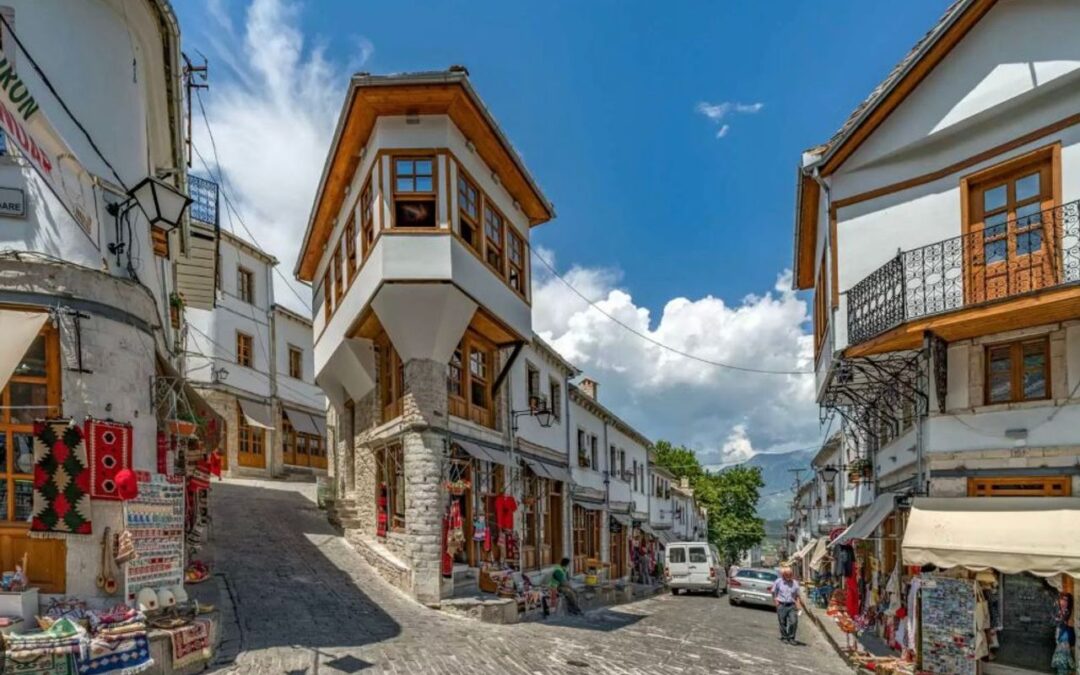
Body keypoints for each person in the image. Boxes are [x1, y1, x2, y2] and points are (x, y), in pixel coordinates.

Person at [770, 565, 805, 645]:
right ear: (783, 575)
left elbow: (797, 596)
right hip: (781, 604)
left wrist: (799, 606)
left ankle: (791, 638)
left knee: (794, 622)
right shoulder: (778, 581)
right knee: (782, 622)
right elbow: (773, 591)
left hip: (791, 605)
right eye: (787, 574)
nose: (789, 576)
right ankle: (784, 637)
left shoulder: (795, 583)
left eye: (790, 574)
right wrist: (775, 601)